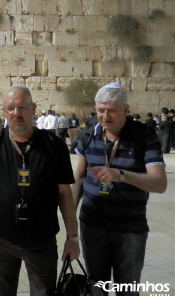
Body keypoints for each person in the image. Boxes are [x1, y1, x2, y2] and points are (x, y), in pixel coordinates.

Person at [0, 85, 79, 296]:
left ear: (33, 108)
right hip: (1, 237)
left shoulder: (54, 146)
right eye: (10, 108)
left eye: (22, 107)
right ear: (3, 112)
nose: (16, 113)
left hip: (42, 239)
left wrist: (72, 237)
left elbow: (65, 193)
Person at [71, 83, 166, 296]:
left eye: (112, 110)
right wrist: (70, 224)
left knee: (127, 289)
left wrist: (121, 175)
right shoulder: (88, 135)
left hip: (130, 228)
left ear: (126, 110)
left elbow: (159, 183)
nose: (105, 116)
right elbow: (78, 177)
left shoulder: (145, 137)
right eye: (100, 110)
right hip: (93, 225)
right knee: (97, 288)